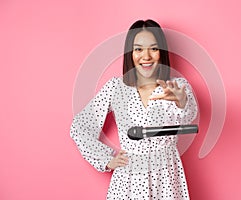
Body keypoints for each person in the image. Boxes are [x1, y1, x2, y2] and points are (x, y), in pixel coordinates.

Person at [70, 19, 198, 200]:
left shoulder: (176, 87)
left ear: (161, 52)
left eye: (153, 48)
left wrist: (181, 101)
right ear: (130, 53)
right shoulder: (116, 88)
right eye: (138, 49)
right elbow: (80, 126)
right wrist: (106, 159)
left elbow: (188, 115)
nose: (146, 56)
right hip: (129, 181)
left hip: (166, 178)